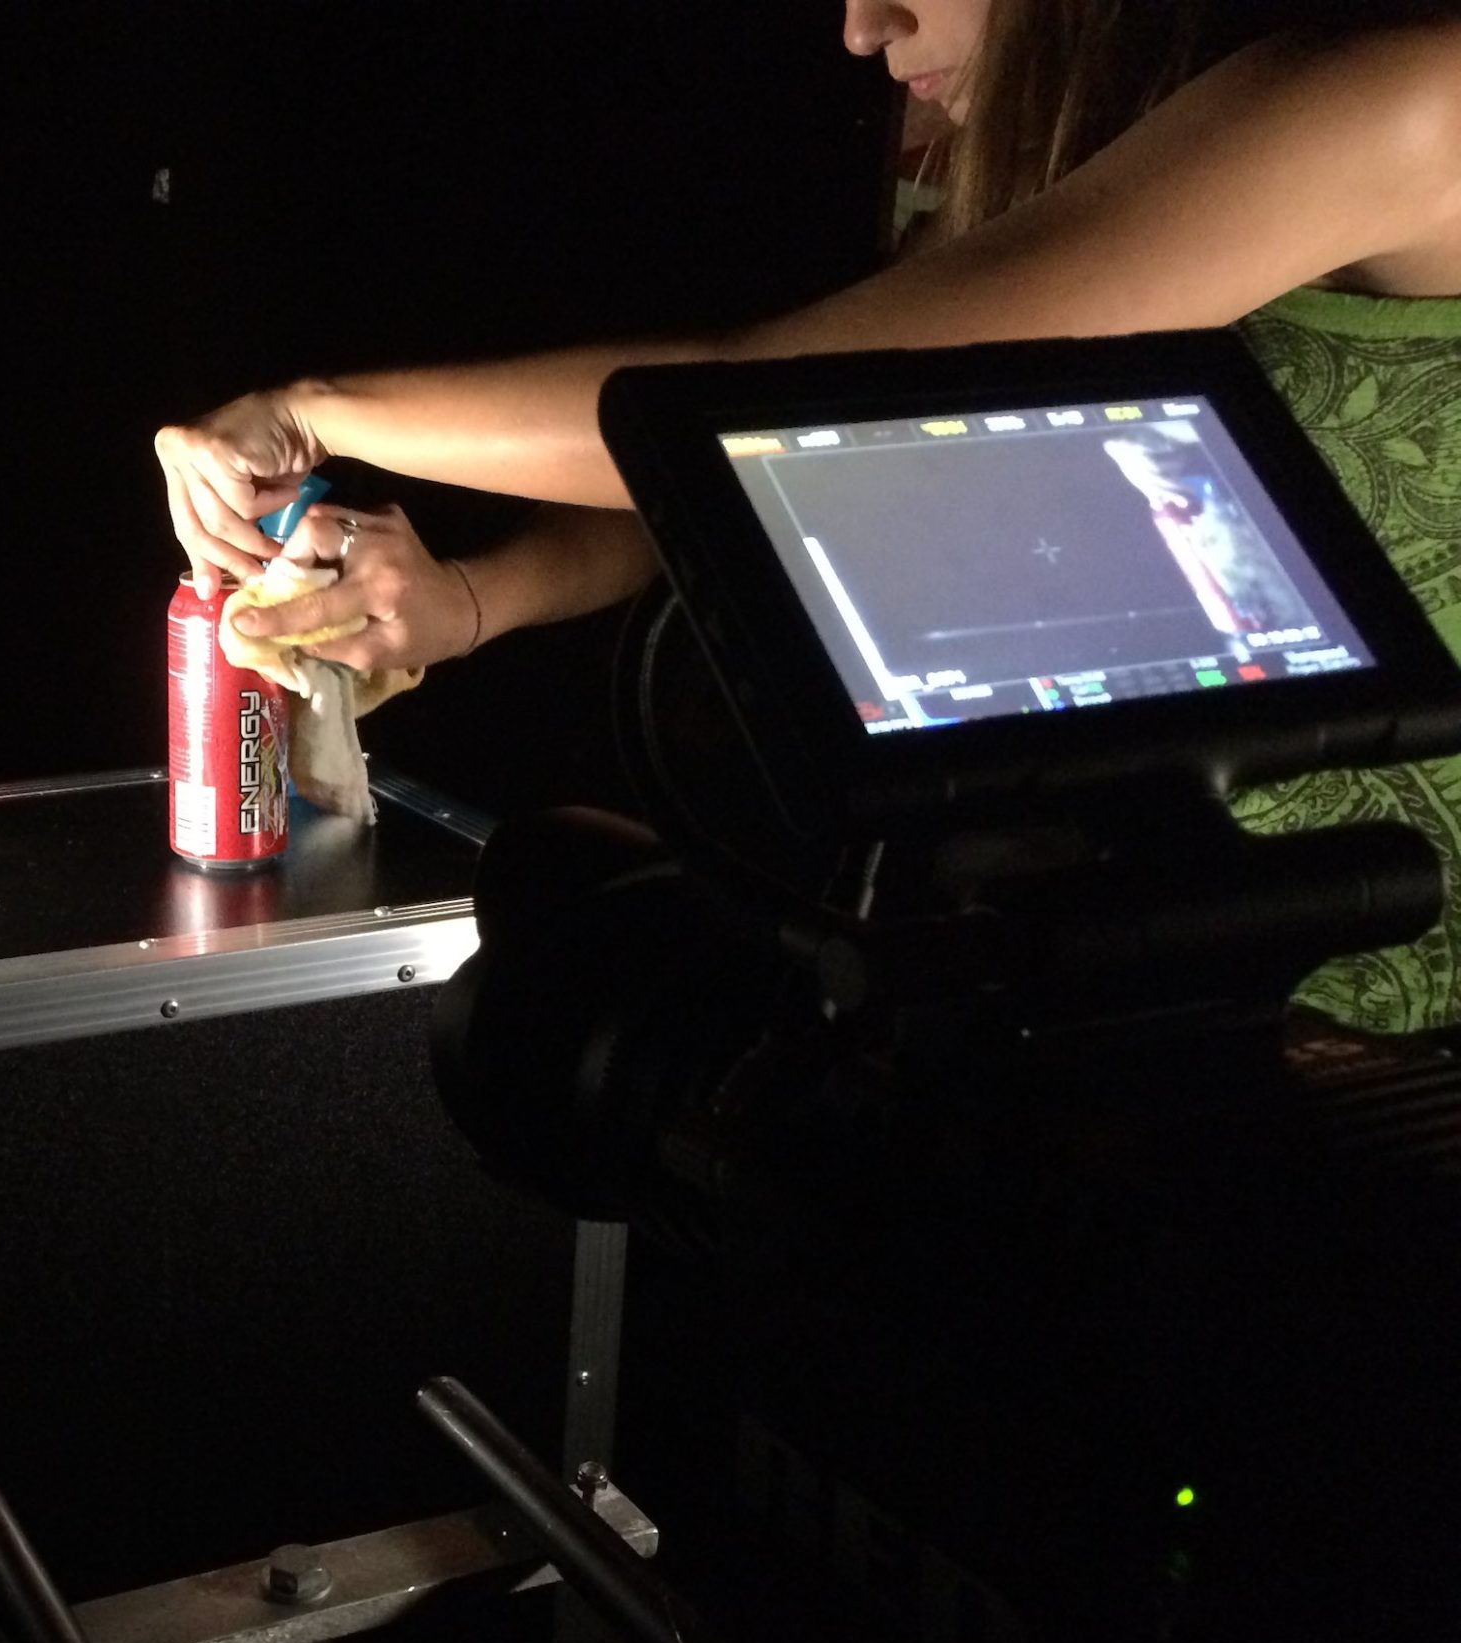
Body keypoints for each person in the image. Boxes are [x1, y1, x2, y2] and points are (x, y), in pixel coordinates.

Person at [156, 0, 1461, 1034]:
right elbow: (788, 469)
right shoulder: (1120, 160)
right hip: (1212, 964)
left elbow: (776, 412)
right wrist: (471, 599)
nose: (862, 26)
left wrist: (312, 411)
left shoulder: (1403, 95)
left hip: (1400, 1003)